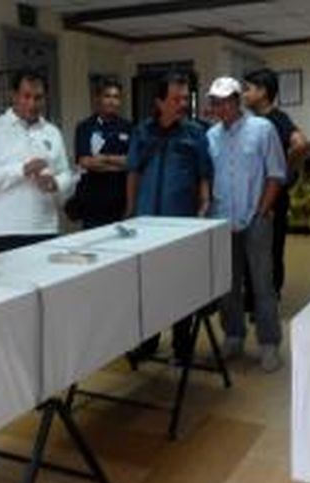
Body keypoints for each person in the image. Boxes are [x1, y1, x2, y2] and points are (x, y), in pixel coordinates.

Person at [126, 71, 212, 361]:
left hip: (181, 222)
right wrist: (130, 209)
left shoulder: (195, 133)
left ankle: (182, 343)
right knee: (147, 284)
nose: (182, 104)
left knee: (180, 283)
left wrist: (204, 204)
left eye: (185, 98)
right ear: (160, 102)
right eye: (176, 99)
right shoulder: (142, 131)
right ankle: (148, 341)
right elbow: (134, 172)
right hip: (146, 223)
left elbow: (204, 174)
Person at [206, 76, 286, 373]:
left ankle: (269, 344)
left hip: (256, 219)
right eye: (215, 102)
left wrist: (263, 211)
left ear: (238, 100)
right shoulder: (211, 136)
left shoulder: (263, 130)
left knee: (262, 284)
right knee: (227, 284)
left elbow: (276, 174)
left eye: (226, 100)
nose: (220, 107)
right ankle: (234, 336)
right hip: (221, 221)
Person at [0, 69, 74, 253]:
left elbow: (66, 172)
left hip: (46, 227)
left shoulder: (52, 131)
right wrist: (22, 169)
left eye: (38, 97)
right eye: (26, 96)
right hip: (7, 230)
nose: (32, 103)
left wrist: (56, 184)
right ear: (13, 96)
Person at [243, 68, 308, 299]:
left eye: (248, 89)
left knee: (271, 248)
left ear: (262, 92)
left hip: (273, 197)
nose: (244, 94)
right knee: (251, 248)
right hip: (250, 197)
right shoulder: (249, 122)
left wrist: (283, 170)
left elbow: (300, 144)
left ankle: (268, 296)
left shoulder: (277, 119)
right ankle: (252, 296)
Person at [68, 77, 132, 228]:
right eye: (107, 96)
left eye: (116, 97)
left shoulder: (128, 127)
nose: (112, 101)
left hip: (120, 201)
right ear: (98, 99)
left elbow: (132, 161)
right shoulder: (85, 127)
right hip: (92, 203)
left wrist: (105, 158)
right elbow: (85, 162)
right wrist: (119, 165)